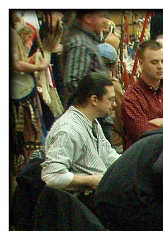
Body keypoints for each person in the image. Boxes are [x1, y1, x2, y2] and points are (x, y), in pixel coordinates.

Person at [40, 72, 119, 210]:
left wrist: (132, 164)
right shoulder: (68, 129)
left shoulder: (92, 122)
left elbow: (109, 156)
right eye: (111, 100)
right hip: (83, 206)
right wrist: (90, 180)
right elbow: (51, 176)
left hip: (98, 199)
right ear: (94, 100)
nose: (115, 104)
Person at [11, 12, 48, 174]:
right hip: (20, 94)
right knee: (28, 136)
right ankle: (27, 174)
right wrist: (38, 67)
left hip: (23, 90)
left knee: (30, 136)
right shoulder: (10, 34)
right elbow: (16, 64)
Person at [61, 10, 108, 106]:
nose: (105, 20)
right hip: (86, 114)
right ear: (88, 18)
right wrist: (95, 103)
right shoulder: (81, 44)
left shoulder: (86, 41)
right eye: (101, 16)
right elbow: (73, 83)